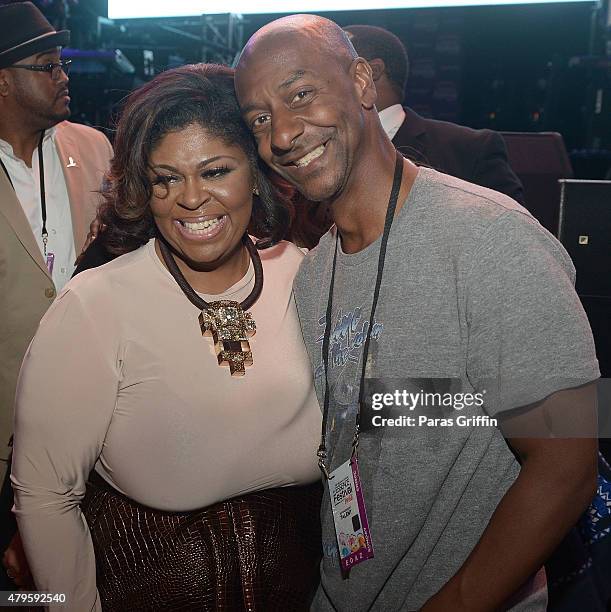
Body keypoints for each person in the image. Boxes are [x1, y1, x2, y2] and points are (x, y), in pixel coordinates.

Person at [234, 14, 599, 612]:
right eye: (259, 119)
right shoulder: (312, 272)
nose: (283, 134)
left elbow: (569, 460)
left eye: (301, 94)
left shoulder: (491, 236)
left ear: (362, 84)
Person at [11, 64, 322, 611]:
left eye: (216, 170)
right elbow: (45, 496)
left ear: (255, 169)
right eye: (166, 178)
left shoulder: (309, 276)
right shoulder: (95, 305)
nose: (191, 199)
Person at [0, 0, 112, 588]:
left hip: (95, 419)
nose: (63, 75)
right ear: (3, 83)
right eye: (47, 65)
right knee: (15, 588)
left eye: (61, 63)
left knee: (71, 576)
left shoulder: (96, 149)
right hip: (4, 424)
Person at [344, 24, 525, 204]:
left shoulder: (469, 150)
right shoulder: (324, 151)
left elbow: (514, 228)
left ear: (368, 73)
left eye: (330, 70)